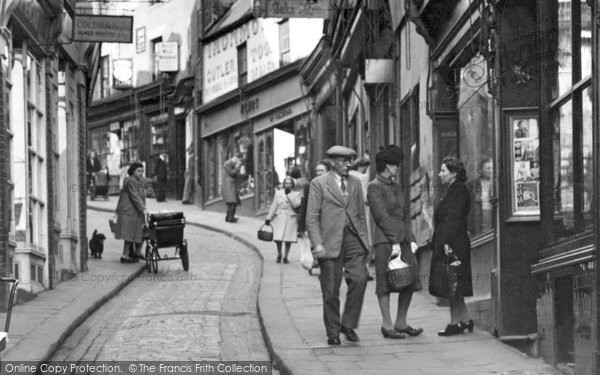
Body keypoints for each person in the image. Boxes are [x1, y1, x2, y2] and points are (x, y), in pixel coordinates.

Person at [306, 145, 370, 346]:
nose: (348, 164)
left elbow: (360, 214)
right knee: (331, 290)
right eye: (344, 161)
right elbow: (312, 217)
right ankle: (333, 331)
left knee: (360, 279)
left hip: (353, 240)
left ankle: (348, 323)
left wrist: (365, 242)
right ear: (332, 162)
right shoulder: (318, 183)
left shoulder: (356, 183)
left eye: (350, 160)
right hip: (329, 241)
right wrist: (316, 243)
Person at [367, 146, 423, 339]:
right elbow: (382, 217)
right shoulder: (374, 187)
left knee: (409, 279)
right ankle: (387, 324)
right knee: (385, 281)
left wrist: (411, 238)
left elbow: (405, 215)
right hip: (384, 241)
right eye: (395, 165)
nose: (398, 168)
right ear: (387, 166)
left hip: (404, 240)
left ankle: (401, 322)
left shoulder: (396, 186)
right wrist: (395, 241)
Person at [429, 156, 474, 336]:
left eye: (443, 171)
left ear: (454, 173)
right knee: (455, 284)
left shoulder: (458, 190)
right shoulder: (453, 189)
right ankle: (464, 320)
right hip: (452, 241)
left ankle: (455, 323)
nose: (440, 174)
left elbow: (452, 219)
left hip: (453, 243)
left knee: (452, 284)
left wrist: (446, 243)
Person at [114, 162, 148, 263]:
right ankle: (125, 255)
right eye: (139, 171)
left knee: (136, 232)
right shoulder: (131, 181)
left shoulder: (136, 180)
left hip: (134, 211)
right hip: (130, 211)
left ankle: (134, 252)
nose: (141, 173)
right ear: (133, 171)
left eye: (142, 171)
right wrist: (143, 208)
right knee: (129, 234)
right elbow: (135, 196)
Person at [264, 176, 302, 264]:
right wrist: (268, 218)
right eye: (286, 183)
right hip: (279, 217)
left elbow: (296, 205)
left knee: (288, 239)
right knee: (278, 238)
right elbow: (274, 206)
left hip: (290, 217)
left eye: (290, 183)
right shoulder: (278, 193)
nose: (288, 185)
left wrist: (289, 195)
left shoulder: (297, 194)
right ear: (284, 184)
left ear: (293, 184)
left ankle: (286, 256)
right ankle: (279, 253)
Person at [466, 158, 495, 234]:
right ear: (480, 170)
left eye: (492, 168)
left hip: (492, 214)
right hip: (477, 216)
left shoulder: (496, 183)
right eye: (488, 168)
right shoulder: (472, 184)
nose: (491, 170)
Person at [222, 153, 242, 223]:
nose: (239, 161)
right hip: (229, 186)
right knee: (232, 202)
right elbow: (232, 173)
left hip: (231, 185)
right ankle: (231, 218)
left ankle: (228, 217)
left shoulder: (230, 164)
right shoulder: (228, 163)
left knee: (232, 202)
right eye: (239, 159)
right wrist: (237, 167)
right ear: (236, 158)